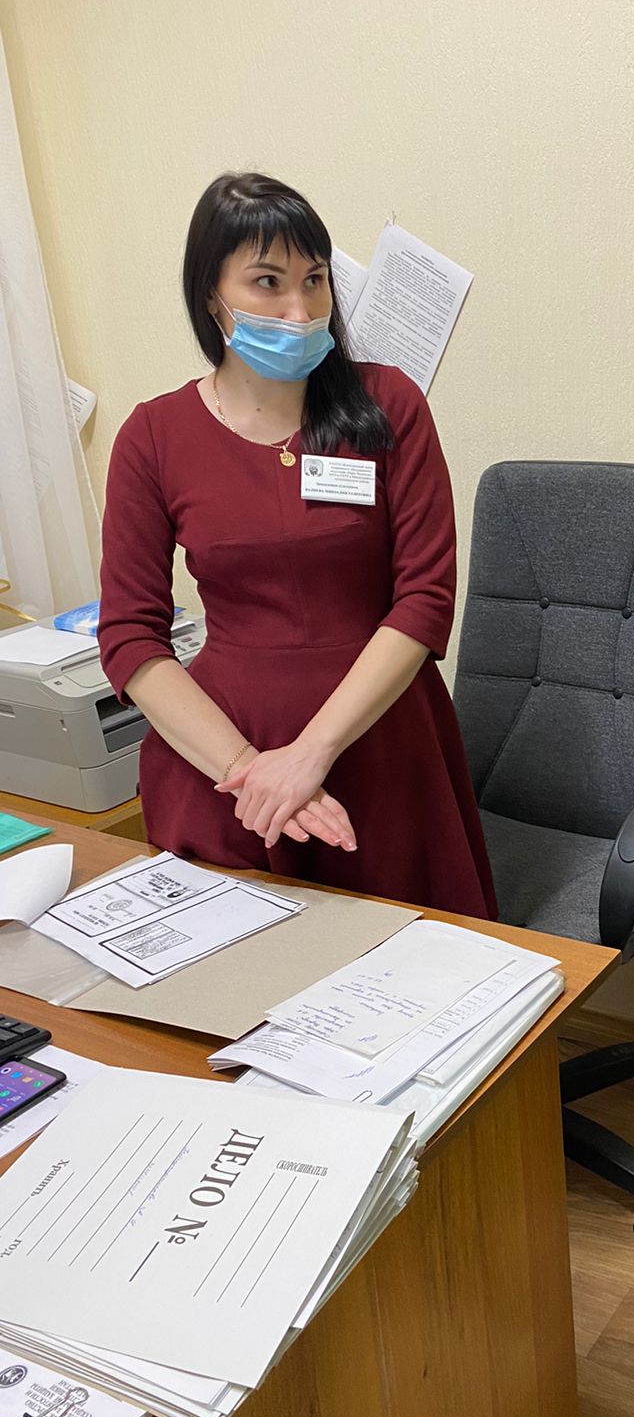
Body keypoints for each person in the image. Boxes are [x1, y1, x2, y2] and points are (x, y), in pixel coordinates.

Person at [99, 171, 496, 919]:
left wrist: (310, 755)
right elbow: (129, 636)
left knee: (413, 970)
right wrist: (253, 771)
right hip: (225, 769)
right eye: (267, 282)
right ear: (211, 295)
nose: (300, 310)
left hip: (381, 745)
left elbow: (423, 600)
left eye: (314, 280)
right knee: (237, 976)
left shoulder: (388, 406)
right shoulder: (153, 437)